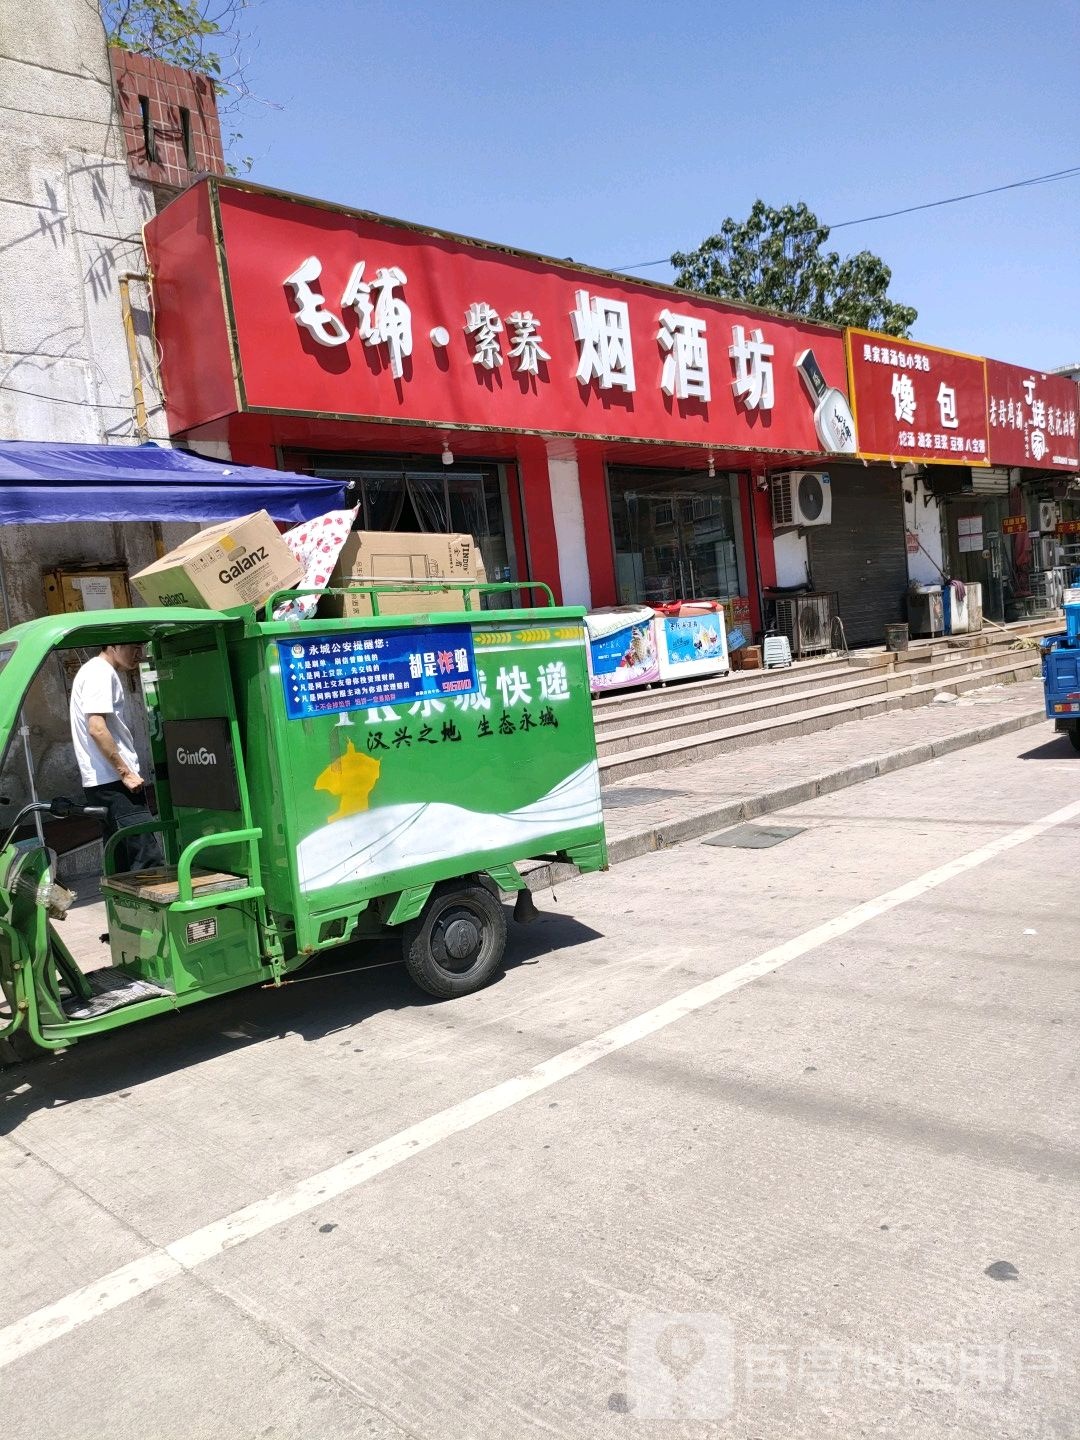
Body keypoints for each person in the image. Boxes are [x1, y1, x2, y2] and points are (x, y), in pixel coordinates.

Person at [69, 642, 163, 874]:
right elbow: (97, 728)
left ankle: (123, 909)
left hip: (105, 783)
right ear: (114, 646)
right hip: (114, 783)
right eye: (134, 648)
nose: (138, 654)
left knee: (120, 859)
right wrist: (126, 772)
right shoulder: (100, 672)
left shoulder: (96, 671)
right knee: (147, 860)